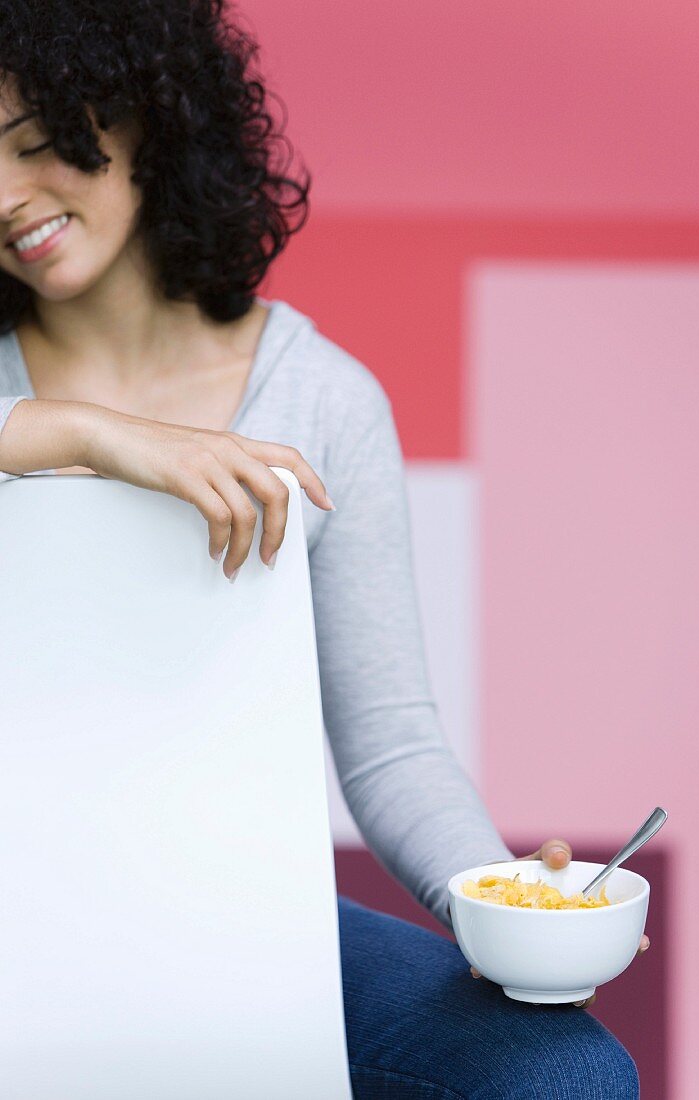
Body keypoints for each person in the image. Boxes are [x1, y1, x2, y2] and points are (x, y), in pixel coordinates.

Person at [0, 3, 647, 1095]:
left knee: (562, 1074)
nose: (7, 198)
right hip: (23, 908)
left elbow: (389, 740)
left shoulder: (321, 396)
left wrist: (502, 905)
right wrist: (83, 432)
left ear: (148, 117)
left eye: (33, 145)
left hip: (244, 906)